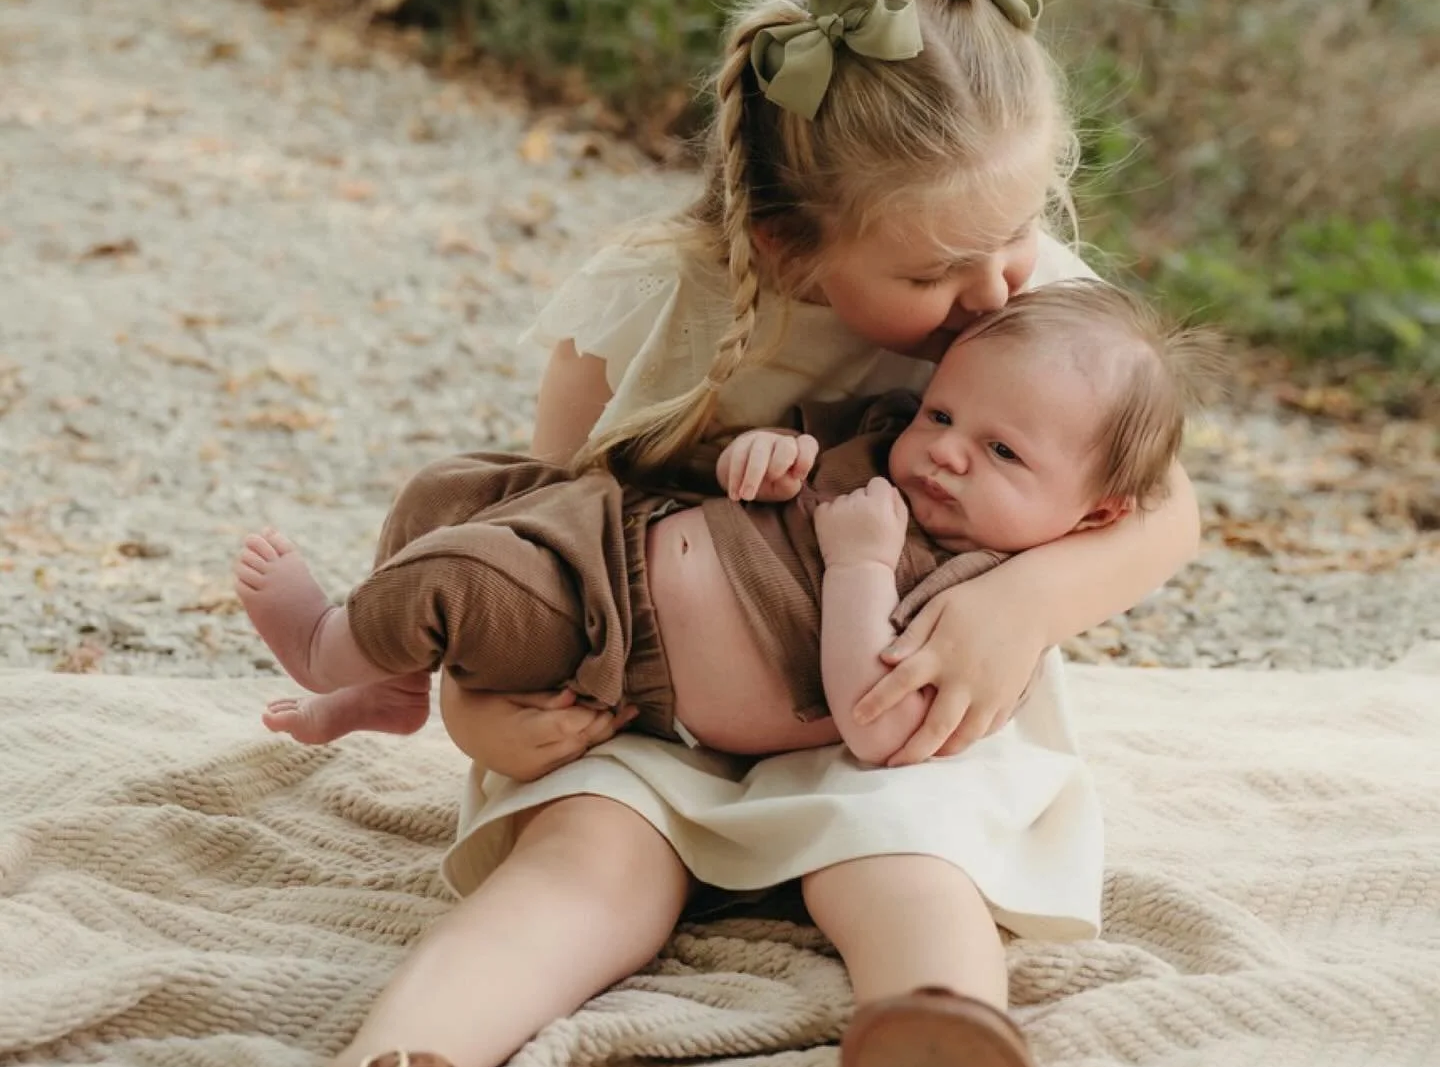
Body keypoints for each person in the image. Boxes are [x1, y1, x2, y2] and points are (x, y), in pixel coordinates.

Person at [222, 0, 1202, 1067]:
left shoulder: (1029, 295)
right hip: (643, 700)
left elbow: (1162, 515)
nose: (993, 292)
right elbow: (544, 535)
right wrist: (483, 716)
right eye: (934, 272)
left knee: (908, 852)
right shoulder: (655, 306)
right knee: (588, 865)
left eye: (1018, 234)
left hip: (897, 697)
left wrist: (1021, 607)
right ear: (794, 246)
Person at [236, 283, 1193, 768]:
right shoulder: (886, 439)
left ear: (1096, 512)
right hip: (613, 526)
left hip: (613, 637)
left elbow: (879, 727)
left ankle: (326, 646)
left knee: (460, 582)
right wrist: (770, 455)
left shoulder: (982, 599)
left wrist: (861, 567)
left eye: (1003, 453)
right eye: (944, 414)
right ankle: (388, 685)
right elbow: (777, 461)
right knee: (446, 491)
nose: (945, 451)